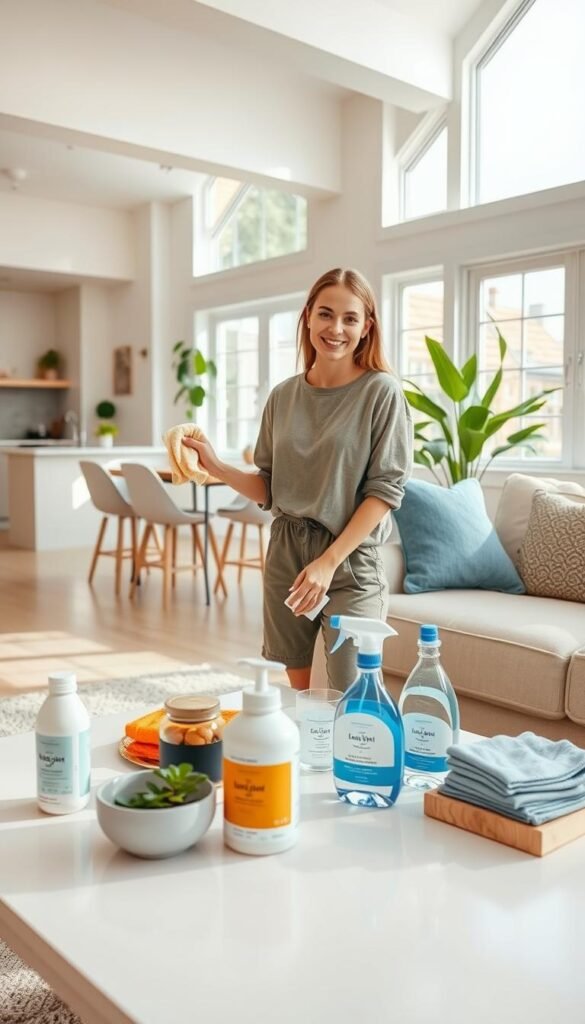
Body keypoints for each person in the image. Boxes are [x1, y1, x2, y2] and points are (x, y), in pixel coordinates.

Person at [183, 267, 412, 691]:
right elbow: (269, 487)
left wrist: (328, 562)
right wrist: (217, 466)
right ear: (307, 316)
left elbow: (384, 492)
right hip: (286, 553)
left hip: (349, 560)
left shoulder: (381, 393)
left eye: (350, 318)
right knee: (298, 695)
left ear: (366, 328)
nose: (336, 329)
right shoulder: (283, 396)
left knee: (353, 694)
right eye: (325, 314)